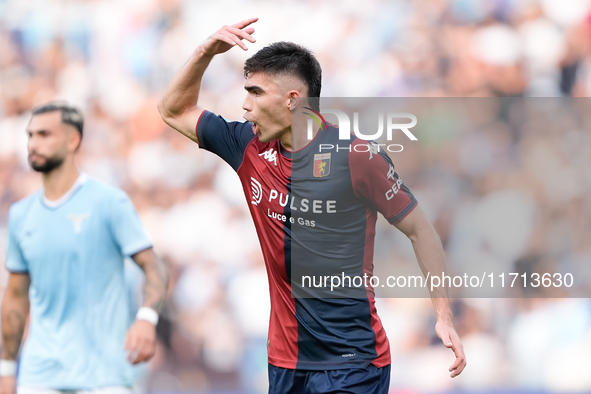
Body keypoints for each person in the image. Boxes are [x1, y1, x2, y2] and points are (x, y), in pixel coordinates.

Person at [158, 18, 466, 393]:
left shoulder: (356, 157)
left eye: (255, 93)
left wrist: (443, 316)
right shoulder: (247, 147)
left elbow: (421, 231)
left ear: (291, 100)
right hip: (285, 363)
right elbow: (173, 110)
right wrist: (204, 52)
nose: (245, 105)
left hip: (353, 361)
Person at [1, 103, 168, 394]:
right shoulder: (20, 215)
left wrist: (146, 319)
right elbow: (16, 296)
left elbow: (154, 266)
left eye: (44, 134)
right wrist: (6, 370)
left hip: (105, 376)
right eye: (30, 135)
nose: (33, 144)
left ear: (72, 141)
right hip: (39, 376)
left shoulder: (109, 202)